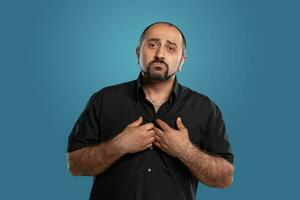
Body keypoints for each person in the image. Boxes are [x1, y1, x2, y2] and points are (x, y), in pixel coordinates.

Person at [67, 22, 234, 200]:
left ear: (182, 61)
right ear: (138, 52)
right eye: (153, 45)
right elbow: (75, 165)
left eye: (171, 48)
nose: (160, 54)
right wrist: (119, 145)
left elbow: (224, 178)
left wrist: (185, 151)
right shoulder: (104, 100)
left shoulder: (205, 109)